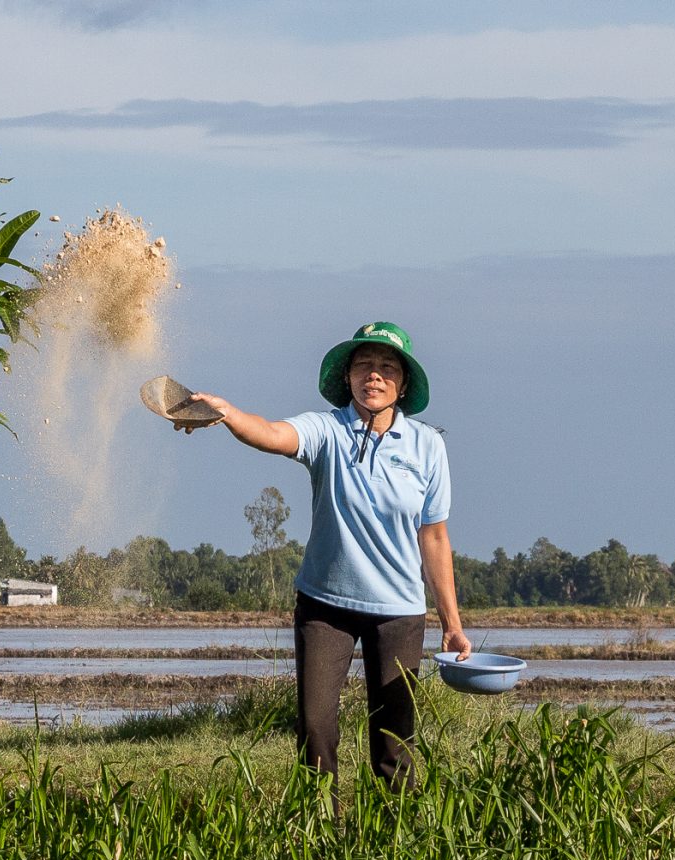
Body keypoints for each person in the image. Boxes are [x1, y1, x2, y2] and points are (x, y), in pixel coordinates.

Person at [179, 321, 469, 784]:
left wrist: (452, 625)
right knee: (315, 728)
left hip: (398, 611)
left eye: (387, 367)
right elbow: (272, 433)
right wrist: (227, 413)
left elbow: (434, 537)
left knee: (395, 741)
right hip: (325, 606)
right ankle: (319, 834)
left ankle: (396, 843)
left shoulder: (427, 446)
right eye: (364, 366)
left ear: (404, 382)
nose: (374, 375)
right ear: (348, 378)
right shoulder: (326, 430)